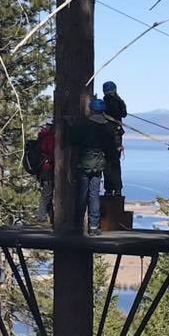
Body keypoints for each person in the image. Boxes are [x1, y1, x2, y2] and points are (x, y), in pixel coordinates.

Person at [70, 98, 119, 235]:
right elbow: (111, 148)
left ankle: (77, 226)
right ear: (102, 110)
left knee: (81, 194)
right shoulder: (107, 127)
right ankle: (93, 227)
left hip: (84, 162)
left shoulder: (84, 125)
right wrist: (113, 161)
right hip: (98, 164)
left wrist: (71, 126)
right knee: (94, 195)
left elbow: (73, 139)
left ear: (91, 109)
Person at [101, 81, 127, 195]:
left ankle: (108, 189)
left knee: (107, 163)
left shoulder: (104, 102)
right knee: (115, 163)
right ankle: (118, 189)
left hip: (105, 136)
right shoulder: (120, 102)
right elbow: (124, 114)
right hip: (116, 136)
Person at [35, 122, 55, 224]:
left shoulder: (42, 136)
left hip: (43, 170)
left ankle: (50, 217)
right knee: (47, 194)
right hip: (49, 169)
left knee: (48, 194)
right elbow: (52, 153)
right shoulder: (49, 137)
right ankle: (41, 217)